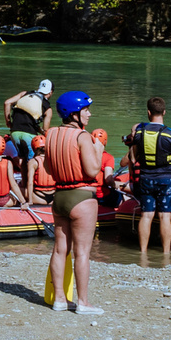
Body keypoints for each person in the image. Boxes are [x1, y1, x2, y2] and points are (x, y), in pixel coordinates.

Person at [40, 89, 103, 315]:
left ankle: (59, 300)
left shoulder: (52, 134)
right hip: (82, 197)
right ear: (75, 114)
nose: (89, 114)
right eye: (85, 110)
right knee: (82, 253)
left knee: (60, 250)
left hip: (60, 197)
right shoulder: (83, 137)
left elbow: (47, 168)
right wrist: (98, 149)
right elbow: (93, 169)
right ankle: (83, 302)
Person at [126, 98, 171, 255]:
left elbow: (133, 159)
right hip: (166, 180)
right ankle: (166, 253)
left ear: (148, 112)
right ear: (164, 112)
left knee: (146, 216)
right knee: (165, 217)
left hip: (146, 179)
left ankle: (143, 252)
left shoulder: (139, 133)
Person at [2, 77, 51, 202]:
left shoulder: (25, 94)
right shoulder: (47, 107)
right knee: (32, 163)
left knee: (23, 160)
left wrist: (8, 122)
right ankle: (31, 194)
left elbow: (7, 103)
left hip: (15, 133)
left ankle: (23, 186)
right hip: (29, 135)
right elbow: (45, 131)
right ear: (50, 93)